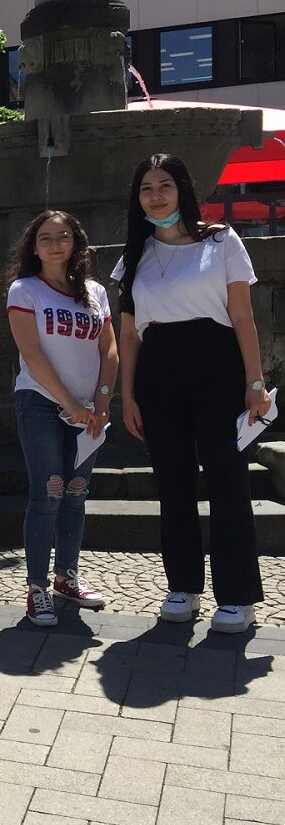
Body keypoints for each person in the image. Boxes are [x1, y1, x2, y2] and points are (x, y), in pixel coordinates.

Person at [114, 154, 270, 633]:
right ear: (137, 198)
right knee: (173, 482)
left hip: (216, 363)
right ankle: (183, 585)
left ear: (182, 189)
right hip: (158, 371)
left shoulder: (221, 241)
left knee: (227, 479)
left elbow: (243, 317)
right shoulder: (133, 256)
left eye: (165, 185)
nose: (156, 196)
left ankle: (238, 594)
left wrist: (255, 382)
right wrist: (128, 396)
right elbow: (130, 335)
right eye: (146, 188)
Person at [6, 210, 117, 626]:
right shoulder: (25, 290)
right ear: (34, 247)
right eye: (46, 238)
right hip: (40, 404)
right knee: (48, 492)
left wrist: (102, 401)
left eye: (64, 236)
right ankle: (36, 587)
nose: (56, 244)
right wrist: (70, 404)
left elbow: (109, 349)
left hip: (88, 409)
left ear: (76, 243)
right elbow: (31, 354)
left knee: (76, 490)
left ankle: (66, 577)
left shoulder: (94, 292)